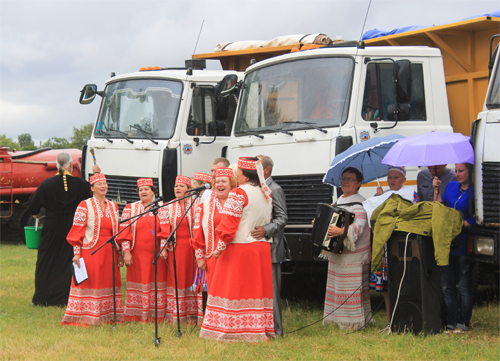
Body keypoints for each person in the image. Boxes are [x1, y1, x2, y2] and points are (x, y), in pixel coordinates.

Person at [200, 157, 274, 342]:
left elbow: (229, 225)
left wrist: (219, 247)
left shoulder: (239, 193)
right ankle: (255, 329)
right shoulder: (265, 193)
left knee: (233, 290)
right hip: (261, 247)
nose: (236, 174)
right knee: (255, 290)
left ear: (243, 174)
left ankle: (233, 330)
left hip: (241, 248)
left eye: (238, 171)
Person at [28, 153, 95, 307]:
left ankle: (42, 298)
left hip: (52, 227)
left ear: (57, 165)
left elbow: (33, 207)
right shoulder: (80, 184)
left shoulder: (47, 184)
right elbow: (96, 192)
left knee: (46, 260)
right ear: (71, 165)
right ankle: (68, 297)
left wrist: (40, 214)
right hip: (74, 226)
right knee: (69, 258)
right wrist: (96, 173)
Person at [61, 173, 125, 326]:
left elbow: (116, 231)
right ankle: (87, 316)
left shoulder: (113, 205)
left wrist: (119, 253)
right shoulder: (84, 205)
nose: (103, 186)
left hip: (109, 250)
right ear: (92, 188)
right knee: (91, 282)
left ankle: (108, 316)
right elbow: (77, 230)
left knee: (107, 282)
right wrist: (76, 254)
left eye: (105, 183)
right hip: (91, 250)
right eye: (99, 184)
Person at [322, 167, 372, 330]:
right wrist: (320, 225)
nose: (345, 182)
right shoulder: (339, 201)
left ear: (358, 183)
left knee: (351, 289)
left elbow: (359, 226)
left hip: (353, 256)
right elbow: (329, 220)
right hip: (337, 253)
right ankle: (335, 319)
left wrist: (342, 231)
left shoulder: (360, 204)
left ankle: (352, 323)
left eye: (350, 179)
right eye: (344, 179)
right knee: (337, 287)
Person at [116, 178, 170, 322]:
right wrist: (126, 252)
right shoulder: (130, 209)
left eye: (146, 189)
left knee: (156, 282)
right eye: (140, 190)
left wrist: (164, 248)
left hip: (156, 255)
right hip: (136, 255)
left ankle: (156, 316)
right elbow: (125, 232)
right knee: (138, 282)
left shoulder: (162, 208)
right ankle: (136, 315)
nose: (143, 192)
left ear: (153, 191)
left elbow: (166, 230)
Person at [370, 165, 417, 325]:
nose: (392, 180)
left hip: (404, 244)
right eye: (389, 177)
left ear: (404, 178)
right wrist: (378, 199)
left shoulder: (411, 193)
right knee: (387, 284)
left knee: (404, 280)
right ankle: (391, 319)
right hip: (385, 245)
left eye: (396, 177)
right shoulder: (382, 195)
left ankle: (407, 317)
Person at [433, 163, 476, 333]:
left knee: (463, 286)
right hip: (447, 242)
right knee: (446, 286)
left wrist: (457, 224)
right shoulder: (450, 186)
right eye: (456, 171)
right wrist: (436, 190)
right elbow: (438, 209)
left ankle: (463, 323)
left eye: (461, 171)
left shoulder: (475, 191)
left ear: (470, 172)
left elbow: (474, 218)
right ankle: (450, 323)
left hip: (464, 242)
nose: (457, 174)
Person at [251, 155, 288, 337]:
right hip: (256, 248)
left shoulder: (275, 189)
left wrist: (266, 230)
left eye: (256, 166)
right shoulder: (256, 189)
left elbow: (282, 218)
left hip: (271, 248)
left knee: (272, 292)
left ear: (266, 170)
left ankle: (277, 331)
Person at [159, 175, 198, 324]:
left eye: (181, 186)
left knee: (193, 277)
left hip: (193, 248)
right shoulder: (168, 206)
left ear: (189, 189)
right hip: (176, 249)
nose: (177, 188)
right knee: (179, 278)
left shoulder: (196, 204)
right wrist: (163, 247)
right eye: (176, 186)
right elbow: (164, 228)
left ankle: (194, 314)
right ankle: (178, 315)